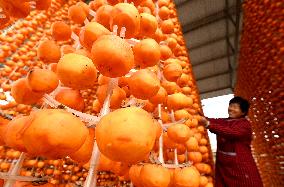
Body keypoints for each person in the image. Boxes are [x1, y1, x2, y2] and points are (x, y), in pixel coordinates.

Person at [200, 96, 263, 187]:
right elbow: (210, 120)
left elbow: (232, 132)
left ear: (243, 112)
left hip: (241, 167)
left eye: (235, 107)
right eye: (231, 106)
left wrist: (208, 124)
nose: (231, 109)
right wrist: (197, 114)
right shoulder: (224, 121)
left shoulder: (245, 124)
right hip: (223, 167)